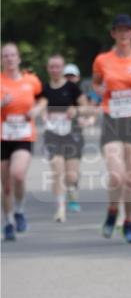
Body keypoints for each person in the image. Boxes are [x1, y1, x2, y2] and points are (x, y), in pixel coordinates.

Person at [92, 14, 131, 244]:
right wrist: (99, 90)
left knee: (130, 179)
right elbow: (96, 83)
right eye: (119, 30)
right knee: (116, 175)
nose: (123, 34)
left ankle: (128, 222)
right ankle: (111, 211)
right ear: (113, 34)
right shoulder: (102, 60)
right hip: (112, 119)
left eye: (127, 30)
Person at [1, 43, 43, 241]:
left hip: (24, 136)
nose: (9, 59)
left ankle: (19, 210)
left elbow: (43, 99)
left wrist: (36, 110)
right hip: (3, 137)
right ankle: (8, 222)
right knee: (6, 185)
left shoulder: (31, 81)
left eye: (12, 55)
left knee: (17, 175)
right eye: (5, 56)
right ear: (2, 60)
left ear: (18, 58)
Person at [37, 54, 86, 220]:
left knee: (71, 175)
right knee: (57, 171)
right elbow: (40, 105)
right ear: (48, 69)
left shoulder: (72, 88)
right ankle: (60, 208)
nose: (55, 70)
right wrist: (43, 114)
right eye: (52, 67)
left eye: (58, 67)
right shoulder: (44, 88)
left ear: (62, 68)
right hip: (52, 134)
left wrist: (77, 111)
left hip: (72, 133)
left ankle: (72, 190)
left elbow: (86, 106)